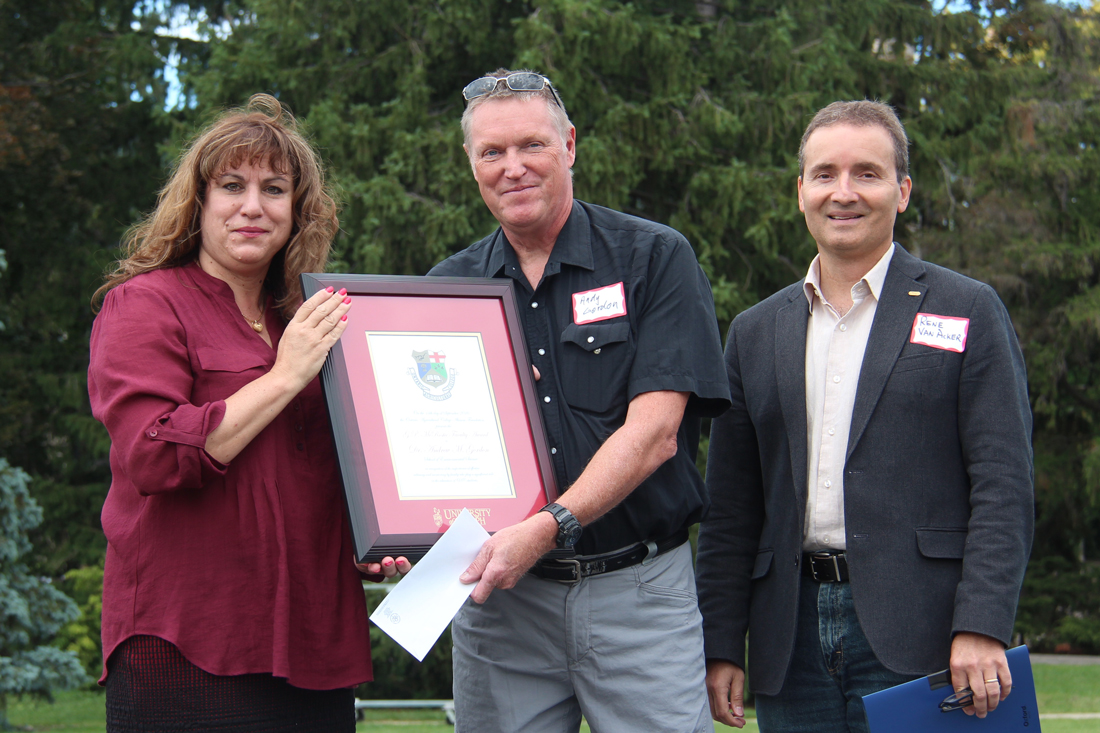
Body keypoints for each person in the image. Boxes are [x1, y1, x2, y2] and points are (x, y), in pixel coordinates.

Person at [695, 100, 1034, 732]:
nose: (843, 192)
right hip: (787, 641)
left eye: (867, 174)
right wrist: (721, 642)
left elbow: (1003, 485)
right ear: (800, 192)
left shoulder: (968, 310)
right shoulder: (753, 332)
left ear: (902, 191)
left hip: (927, 634)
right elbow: (731, 509)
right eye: (824, 174)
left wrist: (982, 624)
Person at [89, 94, 408, 733]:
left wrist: (373, 536)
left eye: (275, 189)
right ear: (199, 202)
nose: (252, 206)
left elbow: (324, 468)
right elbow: (153, 455)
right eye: (231, 186)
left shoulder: (309, 321)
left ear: (297, 211)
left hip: (312, 643)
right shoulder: (144, 304)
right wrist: (285, 375)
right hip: (189, 642)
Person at [428, 69, 731, 732]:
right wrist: (399, 529)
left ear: (570, 144)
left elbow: (655, 432)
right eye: (492, 153)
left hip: (639, 595)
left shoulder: (654, 258)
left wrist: (545, 528)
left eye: (532, 145)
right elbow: (431, 454)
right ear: (471, 164)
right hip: (503, 609)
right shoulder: (445, 290)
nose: (514, 168)